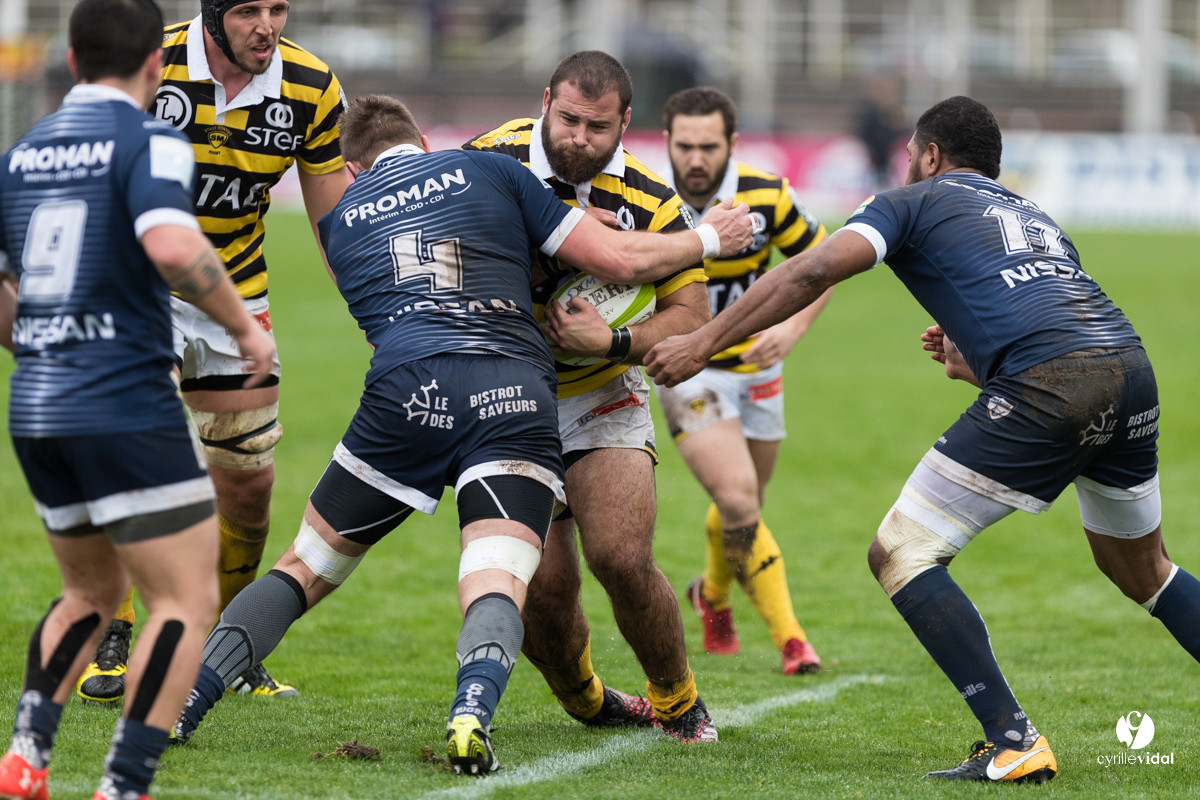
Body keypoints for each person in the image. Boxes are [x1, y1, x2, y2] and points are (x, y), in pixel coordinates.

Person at [166, 94, 753, 774]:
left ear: (352, 169)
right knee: (497, 577)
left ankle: (185, 700)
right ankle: (472, 711)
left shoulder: (341, 221)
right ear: (423, 136)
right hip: (512, 389)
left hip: (408, 394)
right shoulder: (492, 171)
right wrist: (711, 237)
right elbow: (615, 259)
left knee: (304, 566)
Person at [647, 95, 1200, 784]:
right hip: (1129, 368)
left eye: (912, 154)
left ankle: (1013, 739)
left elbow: (814, 268)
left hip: (1052, 381)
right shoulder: (1036, 216)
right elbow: (1041, 307)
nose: (907, 164)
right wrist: (981, 365)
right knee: (1145, 571)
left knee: (902, 551)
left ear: (931, 156)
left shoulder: (909, 201)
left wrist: (703, 341)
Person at [0, 0, 276, 797]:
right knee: (184, 600)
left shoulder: (20, 156)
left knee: (89, 592)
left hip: (39, 405)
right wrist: (243, 329)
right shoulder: (150, 137)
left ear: (71, 59)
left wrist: (38, 344)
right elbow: (170, 239)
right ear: (156, 61)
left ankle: (27, 755)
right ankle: (123, 783)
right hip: (123, 397)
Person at [75, 0, 353, 704]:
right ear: (212, 13)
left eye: (279, 8)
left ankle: (225, 641)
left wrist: (381, 311)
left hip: (234, 297)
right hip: (135, 285)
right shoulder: (152, 62)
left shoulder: (311, 88)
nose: (269, 25)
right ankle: (115, 626)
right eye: (251, 11)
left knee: (248, 484)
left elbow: (333, 222)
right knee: (136, 451)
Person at [462, 50, 717, 741]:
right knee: (541, 589)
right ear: (546, 101)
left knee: (622, 558)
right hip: (504, 396)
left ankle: (677, 699)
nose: (579, 137)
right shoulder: (488, 159)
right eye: (568, 119)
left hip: (600, 391)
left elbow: (691, 315)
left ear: (625, 123)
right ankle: (585, 697)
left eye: (597, 127)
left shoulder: (652, 200)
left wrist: (612, 344)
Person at [658, 86, 831, 675]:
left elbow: (826, 261)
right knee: (736, 497)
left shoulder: (766, 193)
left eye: (709, 146)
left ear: (731, 144)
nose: (696, 159)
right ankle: (792, 640)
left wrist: (795, 329)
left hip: (758, 372)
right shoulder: (648, 201)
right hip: (689, 369)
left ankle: (711, 595)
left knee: (744, 505)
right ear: (668, 143)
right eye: (685, 146)